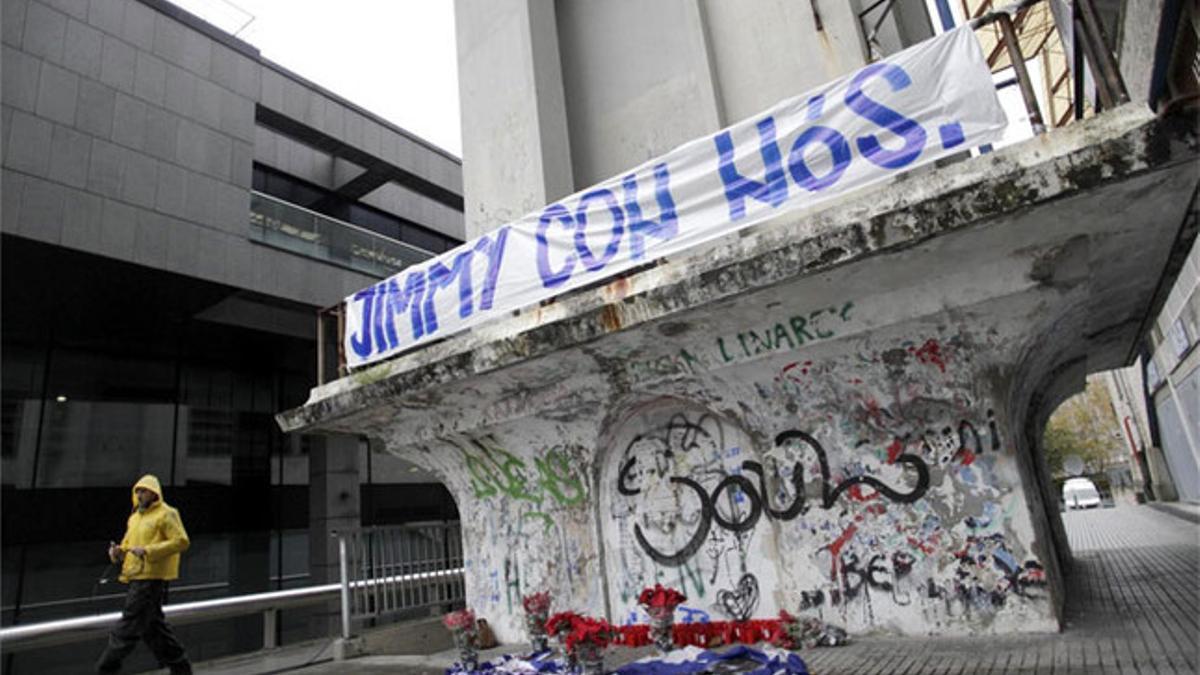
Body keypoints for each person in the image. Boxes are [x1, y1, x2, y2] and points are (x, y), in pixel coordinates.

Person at [95, 475, 193, 675]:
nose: (140, 494)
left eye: (144, 490)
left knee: (127, 627)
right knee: (154, 630)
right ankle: (182, 669)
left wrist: (149, 550)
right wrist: (117, 553)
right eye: (137, 491)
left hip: (150, 579)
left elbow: (182, 541)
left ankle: (104, 670)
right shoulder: (134, 518)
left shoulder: (167, 514)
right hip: (135, 578)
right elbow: (127, 547)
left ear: (154, 492)